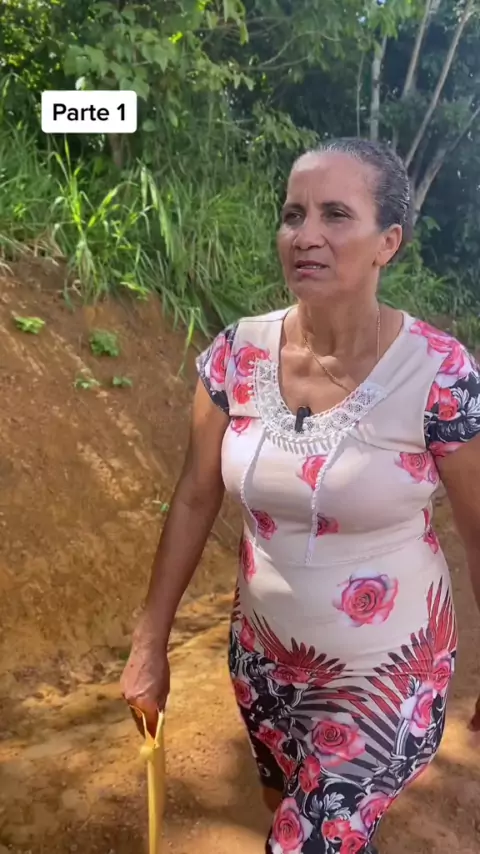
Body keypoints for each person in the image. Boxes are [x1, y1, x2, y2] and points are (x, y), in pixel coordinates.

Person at [121, 138, 480, 854]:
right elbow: (193, 498)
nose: (305, 235)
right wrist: (149, 642)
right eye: (294, 214)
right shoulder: (236, 355)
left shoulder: (439, 374)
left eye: (335, 215)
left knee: (307, 842)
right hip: (265, 658)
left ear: (388, 243)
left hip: (390, 675)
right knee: (290, 806)